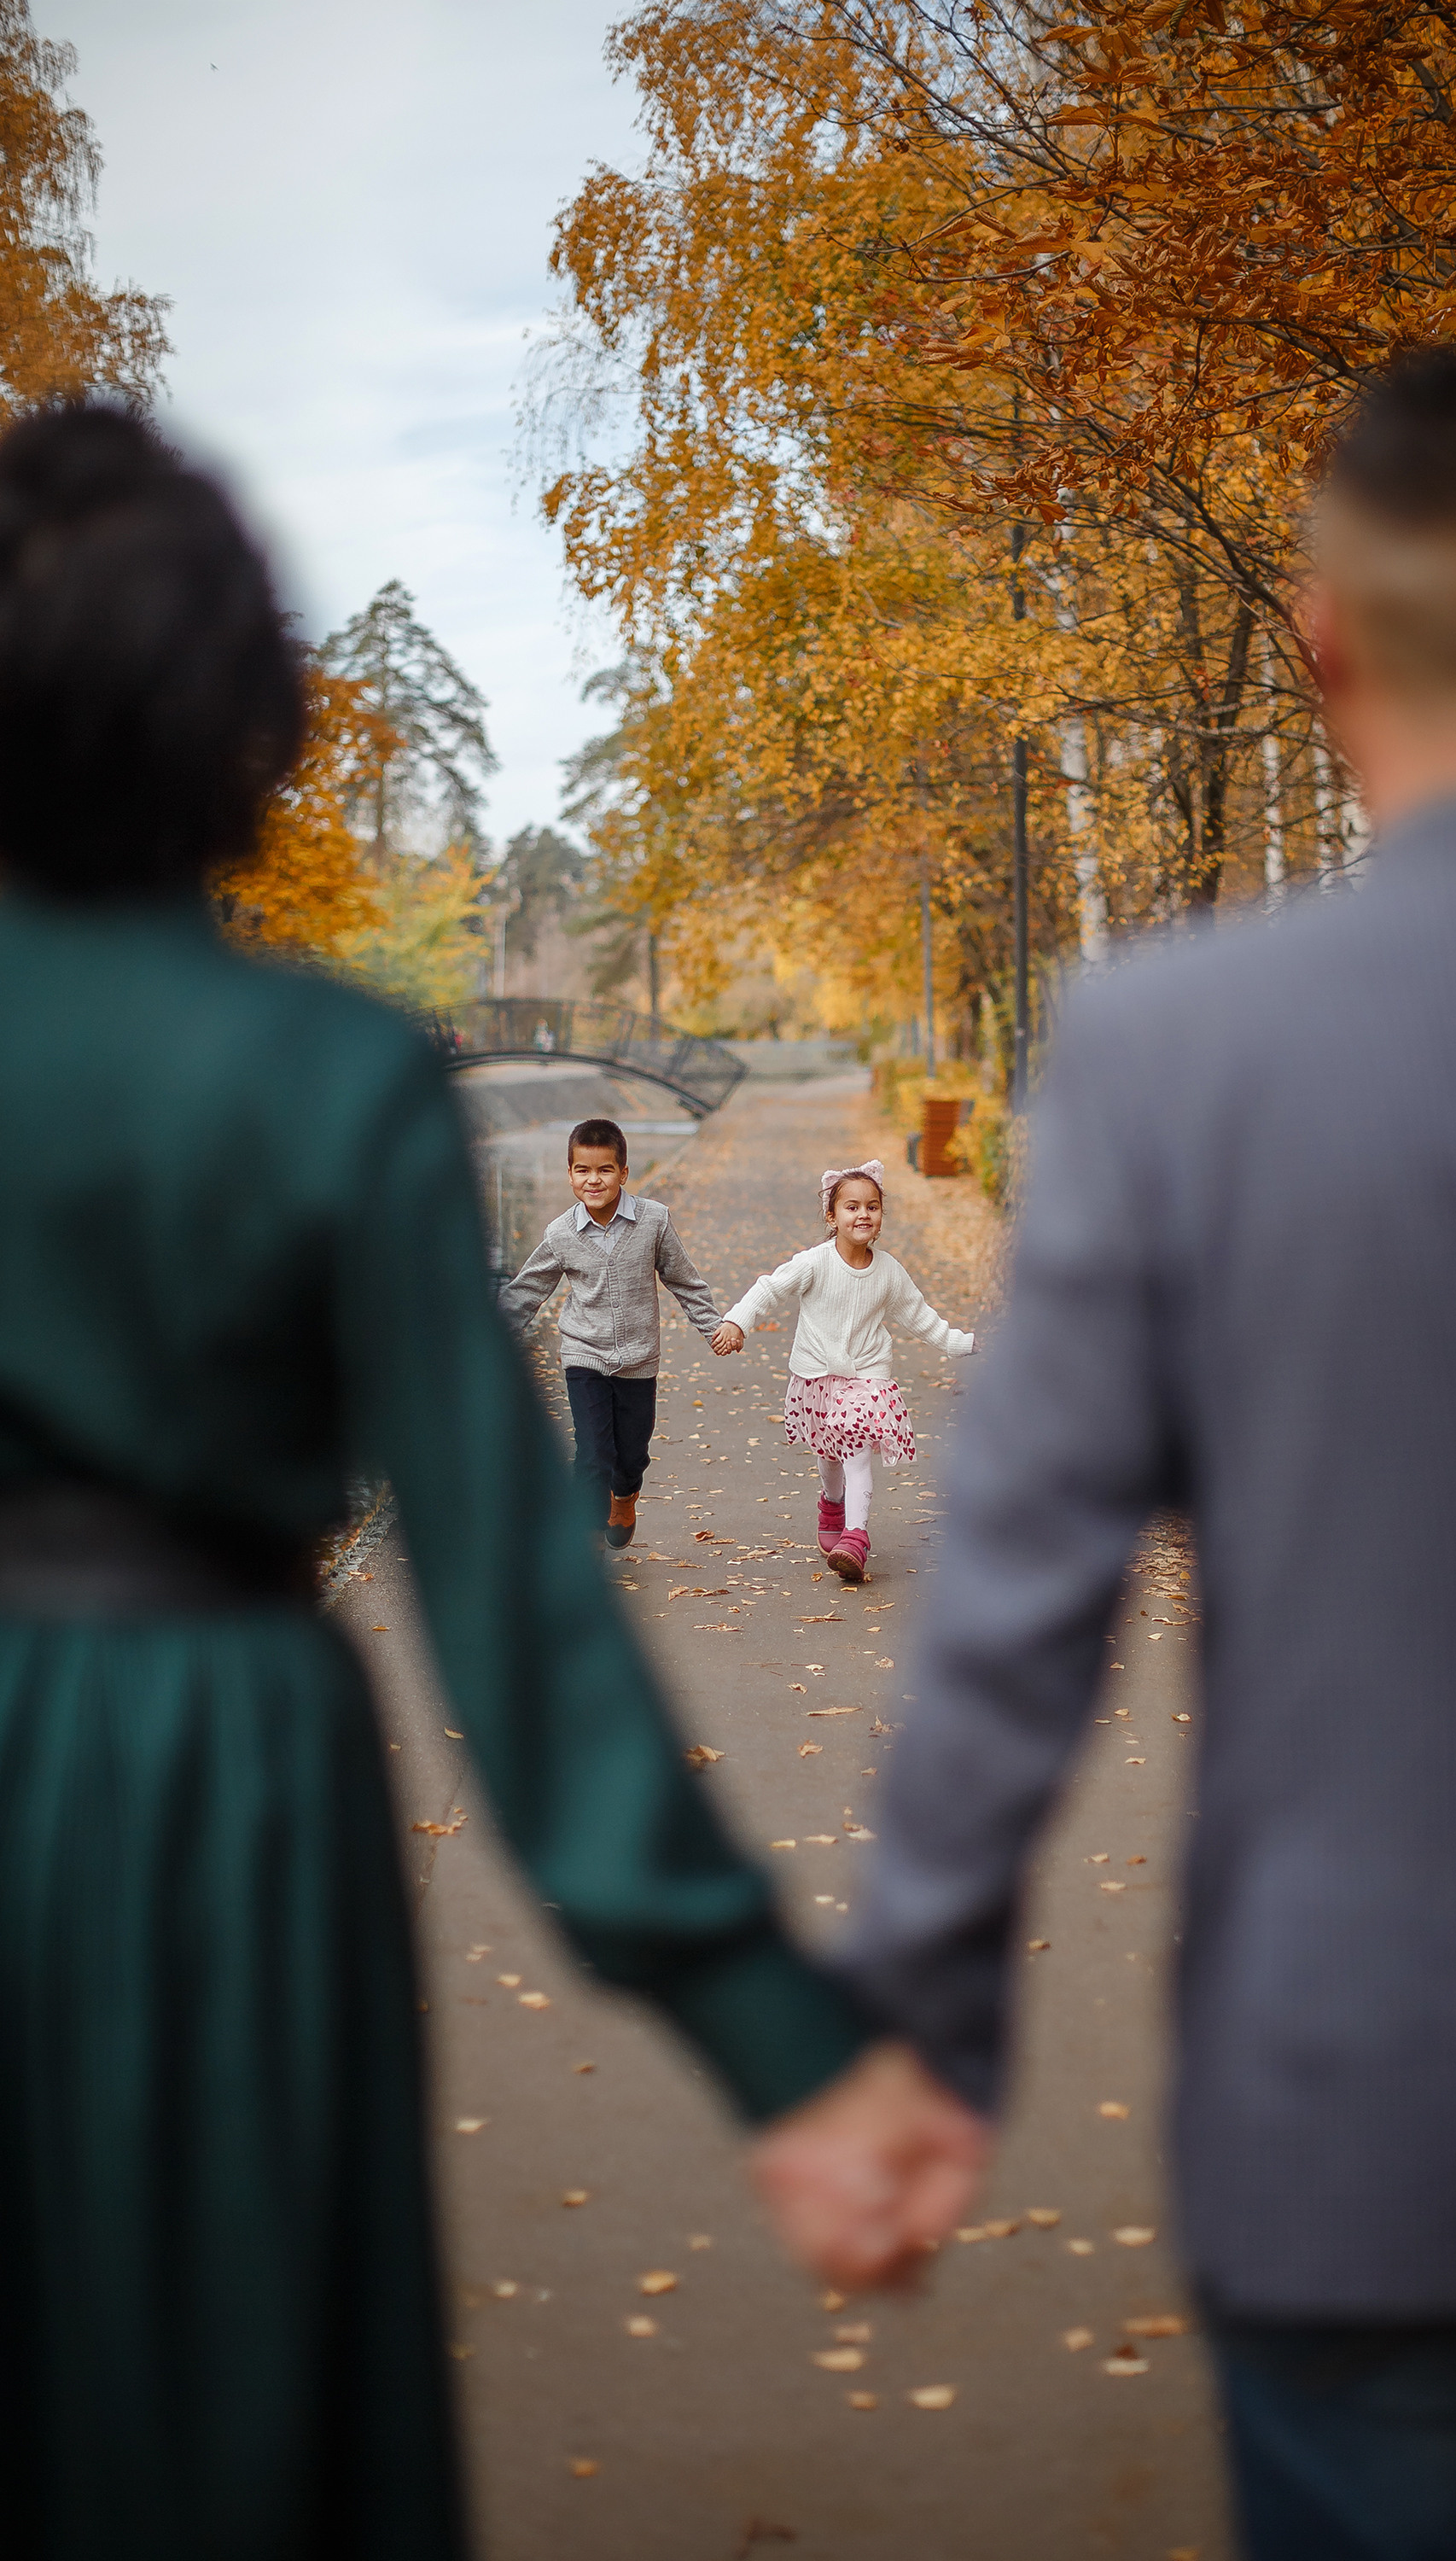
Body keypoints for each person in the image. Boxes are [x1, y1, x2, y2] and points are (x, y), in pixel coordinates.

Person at [754, 353, 1456, 2560]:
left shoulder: (1174, 1058)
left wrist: (919, 2029)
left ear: (1320, 633)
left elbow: (1012, 1602)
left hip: (1347, 2097)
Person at [0, 402, 879, 2560]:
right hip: (219, 1776)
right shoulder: (333, 1079)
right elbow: (510, 1597)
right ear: (243, 722)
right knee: (244, 2402)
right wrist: (781, 2032)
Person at [711, 1160, 975, 1583]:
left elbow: (923, 1318)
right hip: (815, 1375)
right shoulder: (815, 1263)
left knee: (855, 1452)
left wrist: (969, 1344)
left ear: (881, 1216)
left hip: (867, 1376)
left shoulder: (889, 1271)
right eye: (852, 1207)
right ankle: (831, 1503)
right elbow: (769, 1288)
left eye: (872, 1206)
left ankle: (856, 1537)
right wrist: (737, 1321)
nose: (863, 1214)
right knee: (829, 1456)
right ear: (832, 1216)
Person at [498, 1115, 720, 1549]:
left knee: (631, 1453)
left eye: (604, 1170)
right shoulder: (561, 1233)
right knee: (592, 1452)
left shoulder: (653, 1220)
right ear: (570, 1174)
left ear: (623, 1172)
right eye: (583, 1170)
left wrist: (713, 1326)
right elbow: (529, 1288)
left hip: (638, 1358)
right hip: (585, 1354)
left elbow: (683, 1279)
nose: (593, 1180)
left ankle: (625, 1496)